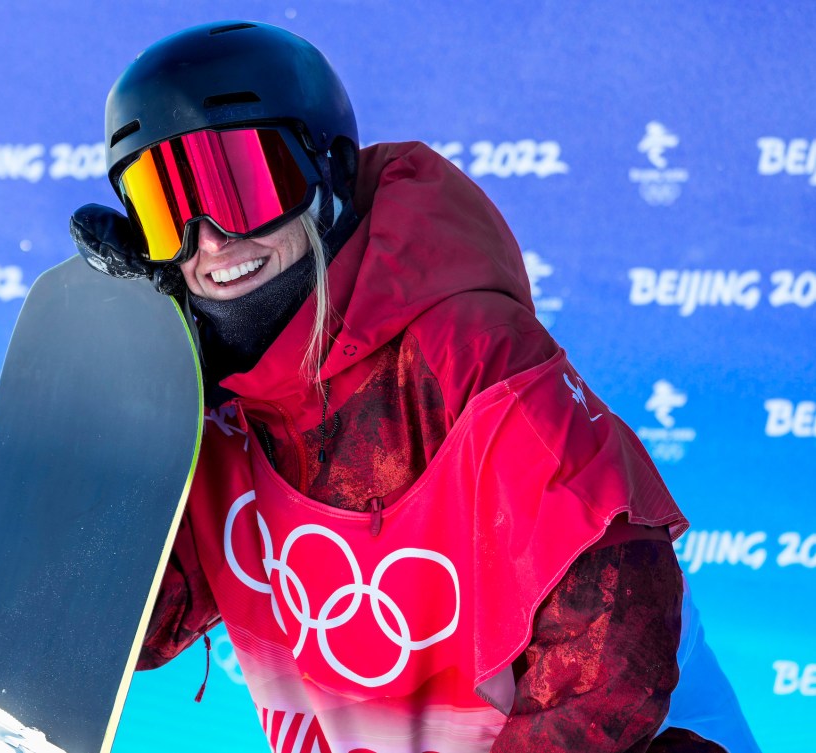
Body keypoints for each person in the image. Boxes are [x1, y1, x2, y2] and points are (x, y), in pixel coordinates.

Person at [71, 20, 760, 753]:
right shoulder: (224, 407)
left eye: (241, 186)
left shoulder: (466, 355)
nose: (208, 240)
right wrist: (153, 396)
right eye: (164, 207)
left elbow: (611, 654)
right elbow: (129, 626)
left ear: (325, 172)